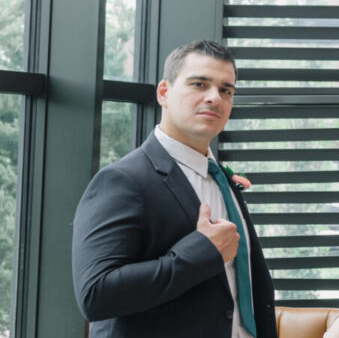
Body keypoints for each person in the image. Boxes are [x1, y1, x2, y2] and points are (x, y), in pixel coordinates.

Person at [72, 40, 279, 338]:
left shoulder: (223, 179)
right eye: (199, 84)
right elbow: (95, 294)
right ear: (164, 93)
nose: (214, 98)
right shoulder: (122, 180)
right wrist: (202, 252)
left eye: (226, 90)